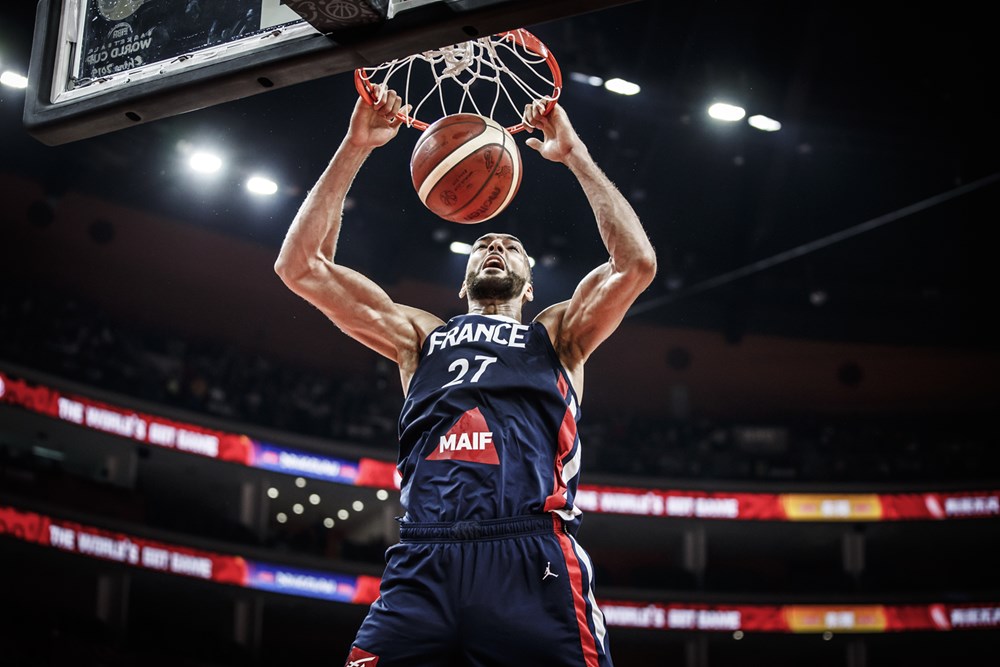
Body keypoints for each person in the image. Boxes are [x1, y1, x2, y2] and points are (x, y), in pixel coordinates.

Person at [275, 88, 656, 667]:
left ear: (531, 286)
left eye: (511, 246)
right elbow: (300, 267)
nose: (495, 246)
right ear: (463, 282)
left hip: (530, 553)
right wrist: (355, 146)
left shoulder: (557, 336)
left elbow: (636, 264)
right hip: (424, 557)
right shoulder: (420, 338)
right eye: (483, 244)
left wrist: (574, 154)